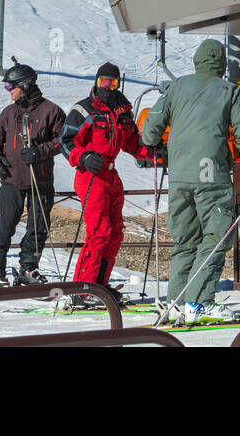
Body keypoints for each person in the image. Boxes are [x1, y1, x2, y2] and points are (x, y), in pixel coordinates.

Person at [141, 39, 240, 325]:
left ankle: (177, 302)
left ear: (197, 61)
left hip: (179, 176)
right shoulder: (230, 91)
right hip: (212, 176)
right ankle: (199, 303)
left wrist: (155, 145)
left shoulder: (177, 87)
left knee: (186, 240)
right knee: (215, 238)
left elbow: (151, 126)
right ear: (222, 64)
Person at [55, 63, 154, 309]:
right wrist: (84, 157)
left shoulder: (123, 110)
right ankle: (82, 288)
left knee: (115, 232)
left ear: (118, 83)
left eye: (112, 82)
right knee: (99, 231)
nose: (108, 87)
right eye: (104, 82)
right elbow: (66, 140)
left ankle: (99, 284)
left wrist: (154, 153)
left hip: (111, 174)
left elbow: (132, 143)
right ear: (97, 82)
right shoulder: (84, 109)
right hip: (90, 174)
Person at [0, 62, 66, 288]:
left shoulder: (51, 111)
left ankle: (28, 268)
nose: (8, 90)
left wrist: (39, 151)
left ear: (26, 85)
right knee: (4, 226)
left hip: (39, 179)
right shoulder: (9, 113)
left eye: (11, 85)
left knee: (38, 227)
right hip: (11, 179)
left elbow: (63, 140)